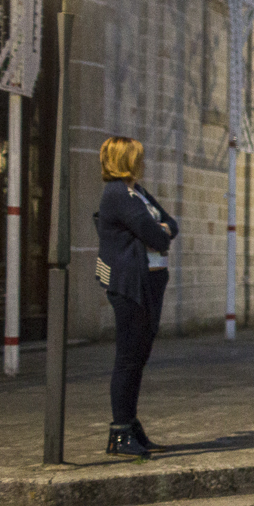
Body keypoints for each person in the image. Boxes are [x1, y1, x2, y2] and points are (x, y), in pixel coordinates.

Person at [93, 136, 178, 458]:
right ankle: (120, 432)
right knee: (129, 358)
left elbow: (171, 225)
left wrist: (162, 230)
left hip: (150, 282)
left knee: (139, 356)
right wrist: (160, 231)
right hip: (131, 284)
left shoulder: (136, 191)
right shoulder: (118, 194)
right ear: (125, 160)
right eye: (138, 156)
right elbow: (157, 234)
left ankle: (131, 424)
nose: (143, 162)